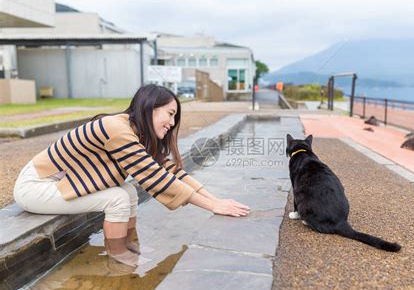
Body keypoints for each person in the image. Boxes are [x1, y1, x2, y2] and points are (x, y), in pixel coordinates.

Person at [13, 84, 250, 267]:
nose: (172, 122)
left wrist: (216, 200)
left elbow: (172, 172)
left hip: (58, 185)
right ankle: (117, 254)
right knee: (117, 196)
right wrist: (211, 207)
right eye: (169, 113)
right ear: (149, 106)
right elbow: (156, 179)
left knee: (127, 191)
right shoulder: (116, 128)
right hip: (35, 187)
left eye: (175, 116)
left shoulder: (135, 134)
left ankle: (130, 246)